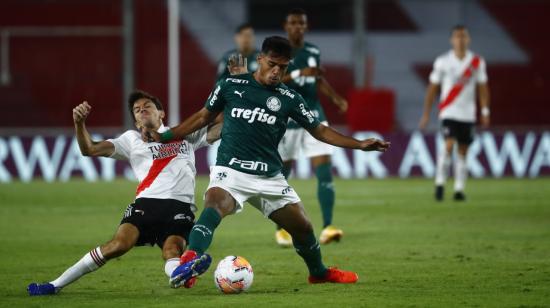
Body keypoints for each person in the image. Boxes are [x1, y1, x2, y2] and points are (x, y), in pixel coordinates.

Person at [144, 36, 390, 288]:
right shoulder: (230, 84)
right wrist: (166, 135)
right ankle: (189, 262)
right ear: (259, 59)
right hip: (232, 170)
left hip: (270, 177)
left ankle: (318, 272)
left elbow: (320, 131)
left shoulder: (289, 98)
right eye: (272, 64)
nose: (276, 71)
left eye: (283, 67)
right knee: (214, 206)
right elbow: (203, 116)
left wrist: (359, 144)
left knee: (303, 228)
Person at [27, 91, 221, 295]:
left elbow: (222, 124)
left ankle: (178, 274)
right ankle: (54, 285)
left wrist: (233, 97)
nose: (142, 110)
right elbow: (89, 149)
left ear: (161, 113)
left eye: (147, 106)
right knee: (118, 245)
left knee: (172, 250)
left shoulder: (184, 135)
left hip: (180, 208)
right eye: (137, 110)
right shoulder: (131, 140)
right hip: (146, 205)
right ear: (136, 121)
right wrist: (79, 123)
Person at [275, 8, 349, 247]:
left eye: (301, 23)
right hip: (286, 118)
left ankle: (328, 226)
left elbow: (317, 78)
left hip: (314, 116)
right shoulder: (278, 51)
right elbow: (271, 80)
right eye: (293, 23)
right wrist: (298, 73)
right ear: (286, 26)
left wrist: (336, 98)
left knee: (325, 171)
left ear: (306, 27)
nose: (297, 27)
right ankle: (282, 229)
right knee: (281, 174)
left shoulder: (313, 51)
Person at [419, 24, 490, 201]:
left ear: (469, 39)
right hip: (448, 111)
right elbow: (432, 89)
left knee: (463, 151)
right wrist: (426, 113)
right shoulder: (443, 61)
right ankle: (440, 183)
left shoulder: (477, 62)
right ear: (452, 40)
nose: (460, 40)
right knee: (449, 145)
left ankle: (459, 189)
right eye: (457, 37)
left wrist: (485, 110)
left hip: (468, 114)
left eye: (463, 36)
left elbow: (482, 88)